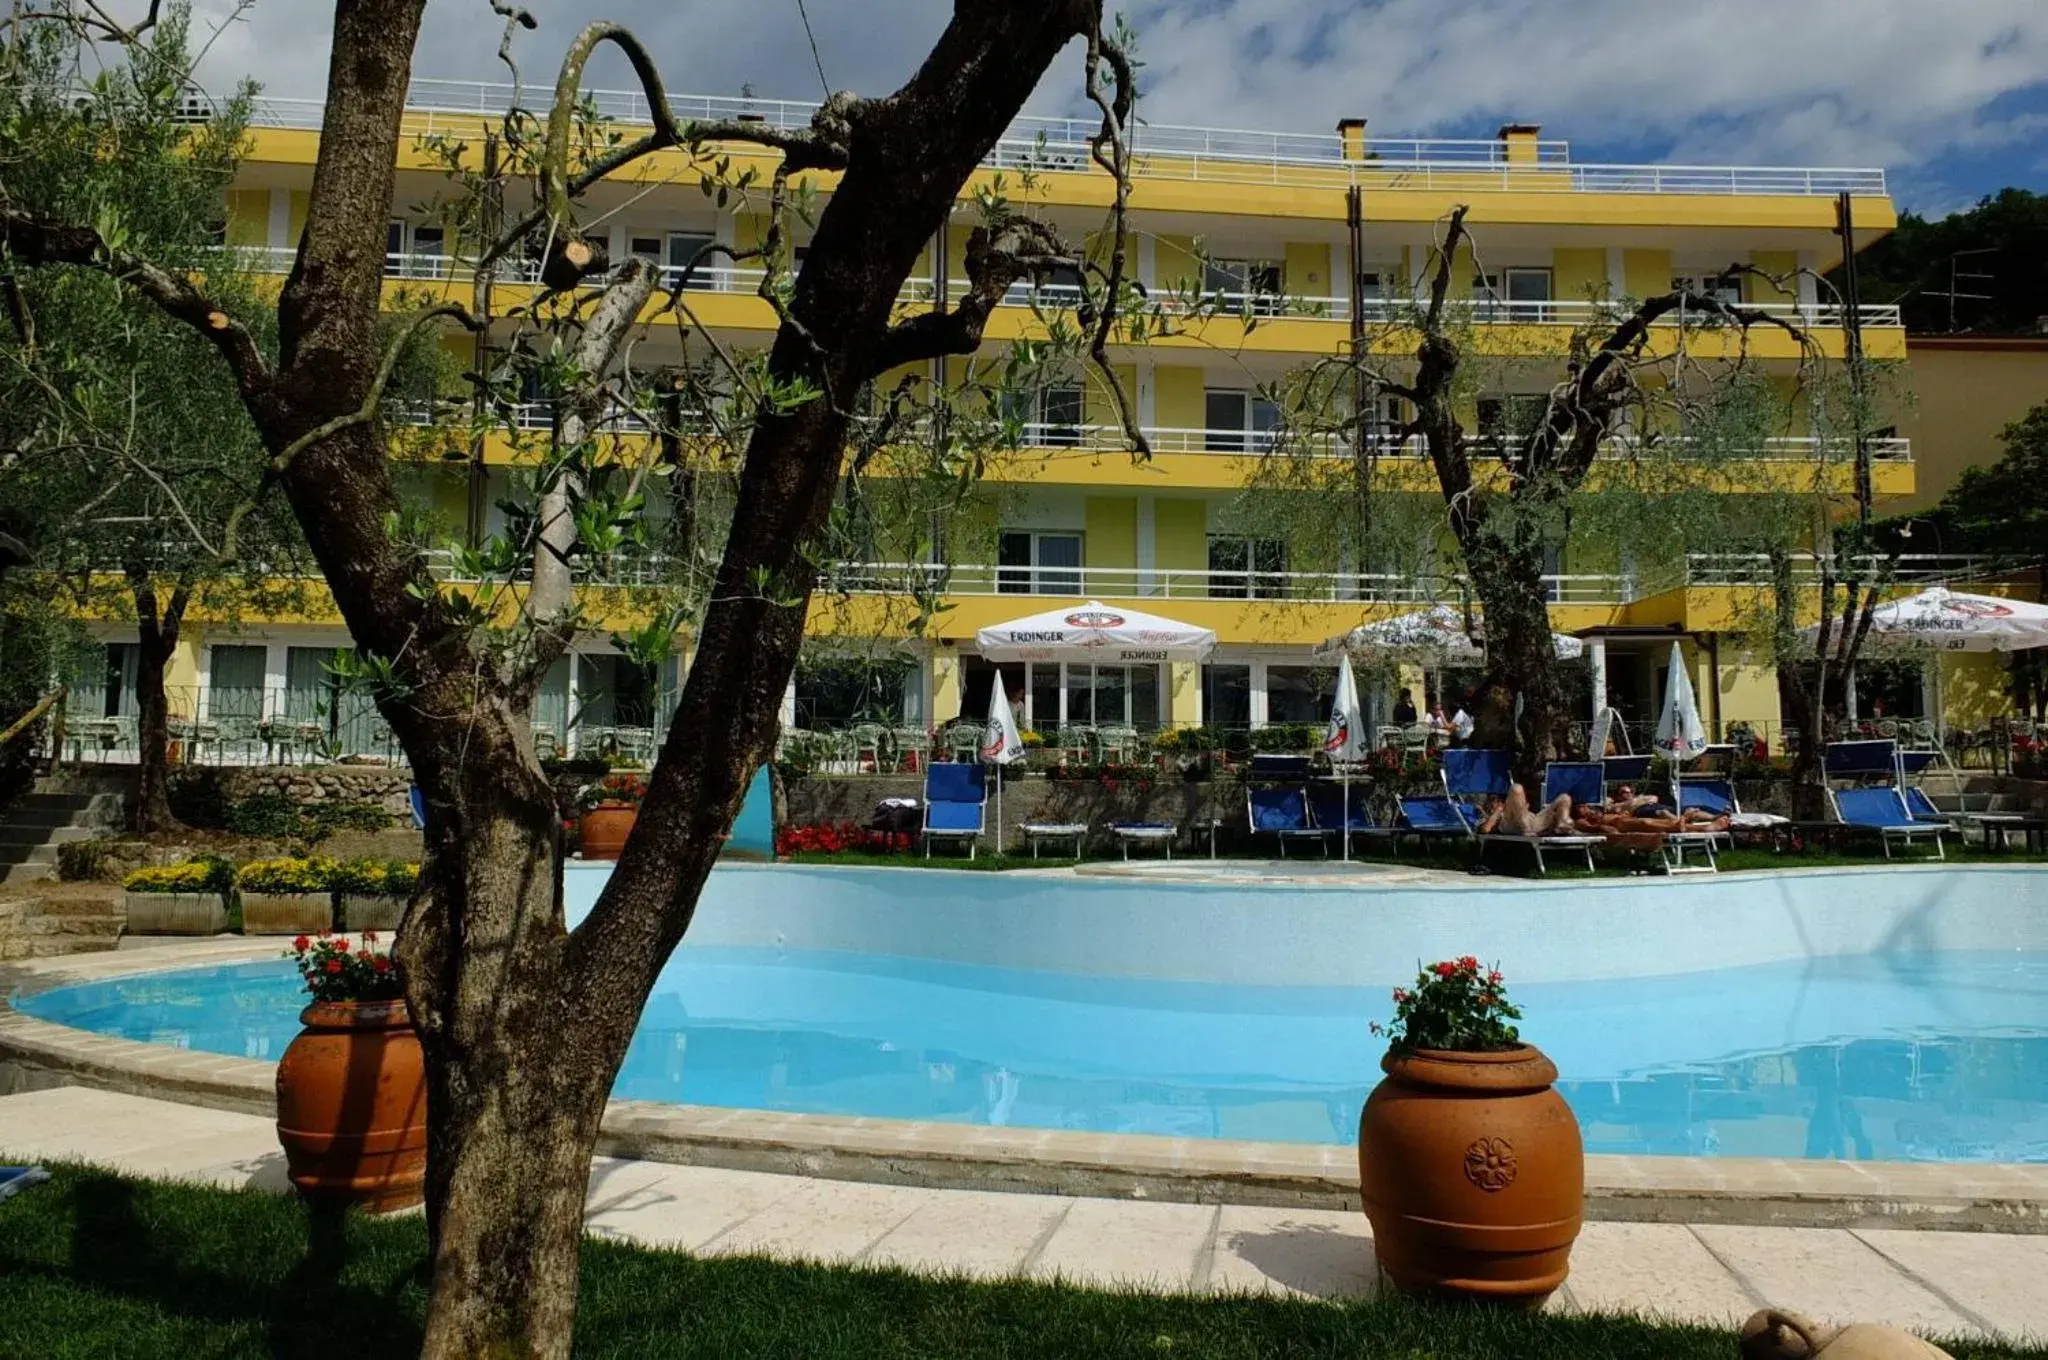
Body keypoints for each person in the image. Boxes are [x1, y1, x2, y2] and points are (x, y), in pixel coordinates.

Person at [1477, 783, 1578, 836]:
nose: (1497, 802)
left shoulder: (1513, 806)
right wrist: (1498, 811)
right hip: (1516, 825)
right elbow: (1485, 830)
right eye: (1493, 801)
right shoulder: (1498, 816)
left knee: (1564, 797)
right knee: (1516, 788)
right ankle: (1526, 828)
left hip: (1534, 822)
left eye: (1498, 800)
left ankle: (1562, 823)